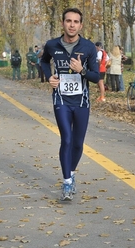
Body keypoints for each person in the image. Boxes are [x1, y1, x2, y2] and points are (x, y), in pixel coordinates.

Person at [41, 7, 99, 201]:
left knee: (78, 143)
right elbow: (43, 62)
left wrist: (82, 70)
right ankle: (66, 183)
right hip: (61, 100)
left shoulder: (89, 47)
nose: (72, 25)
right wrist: (49, 77)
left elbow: (97, 76)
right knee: (66, 139)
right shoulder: (52, 45)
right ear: (63, 23)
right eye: (68, 21)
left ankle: (71, 173)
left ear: (80, 25)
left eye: (76, 22)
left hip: (81, 102)